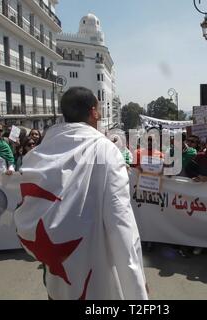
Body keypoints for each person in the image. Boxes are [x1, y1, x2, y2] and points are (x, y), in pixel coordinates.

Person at [14, 87, 148, 300]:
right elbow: (121, 220)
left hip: (58, 274)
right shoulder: (106, 150)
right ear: (94, 112)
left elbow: (27, 207)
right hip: (99, 271)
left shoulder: (39, 151)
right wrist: (136, 282)